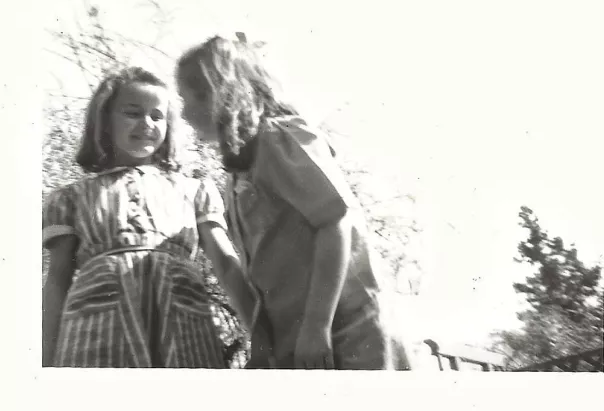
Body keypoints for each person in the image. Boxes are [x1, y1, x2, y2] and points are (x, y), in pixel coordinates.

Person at [175, 35, 413, 370]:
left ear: (219, 94)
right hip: (300, 337)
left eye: (189, 99)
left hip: (347, 329)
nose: (183, 113)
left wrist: (317, 326)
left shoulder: (279, 140)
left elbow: (334, 221)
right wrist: (263, 337)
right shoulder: (237, 175)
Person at [42, 67, 256, 368]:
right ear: (104, 121)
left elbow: (225, 263)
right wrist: (45, 361)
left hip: (183, 327)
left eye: (157, 116)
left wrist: (261, 333)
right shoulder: (71, 198)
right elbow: (57, 280)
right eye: (132, 113)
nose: (146, 124)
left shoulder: (195, 190)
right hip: (96, 332)